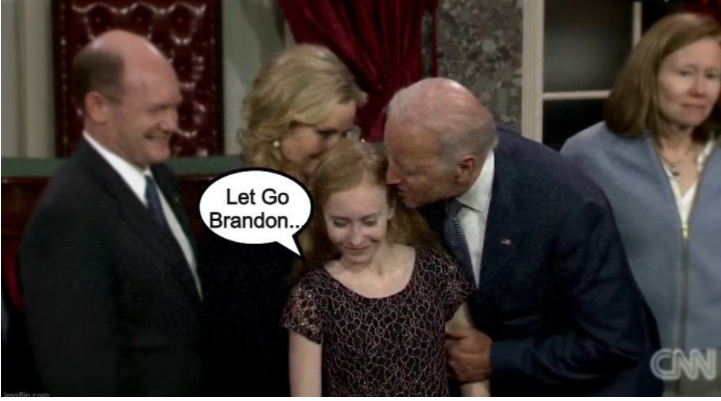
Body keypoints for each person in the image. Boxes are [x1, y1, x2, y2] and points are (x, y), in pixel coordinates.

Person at [383, 77, 663, 396]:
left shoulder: (568, 207)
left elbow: (613, 343)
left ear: (464, 168)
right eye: (390, 156)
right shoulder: (429, 175)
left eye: (408, 170)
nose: (390, 177)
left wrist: (496, 359)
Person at [19, 30, 202, 396]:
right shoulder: (68, 213)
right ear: (98, 107)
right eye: (156, 110)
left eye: (175, 107)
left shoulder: (160, 177)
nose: (172, 124)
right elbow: (78, 376)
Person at [562, 12, 721, 396]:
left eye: (713, 75)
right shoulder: (588, 155)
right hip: (621, 372)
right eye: (685, 73)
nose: (700, 89)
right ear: (649, 75)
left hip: (711, 373)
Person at [201, 44, 366, 396]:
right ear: (278, 125)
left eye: (346, 134)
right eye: (324, 134)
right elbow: (246, 344)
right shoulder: (241, 206)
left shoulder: (336, 195)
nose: (338, 149)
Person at [282, 141, 489, 396]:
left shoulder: (437, 272)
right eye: (340, 223)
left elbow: (471, 370)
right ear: (322, 216)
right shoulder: (313, 294)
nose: (356, 238)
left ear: (390, 208)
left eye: (369, 222)